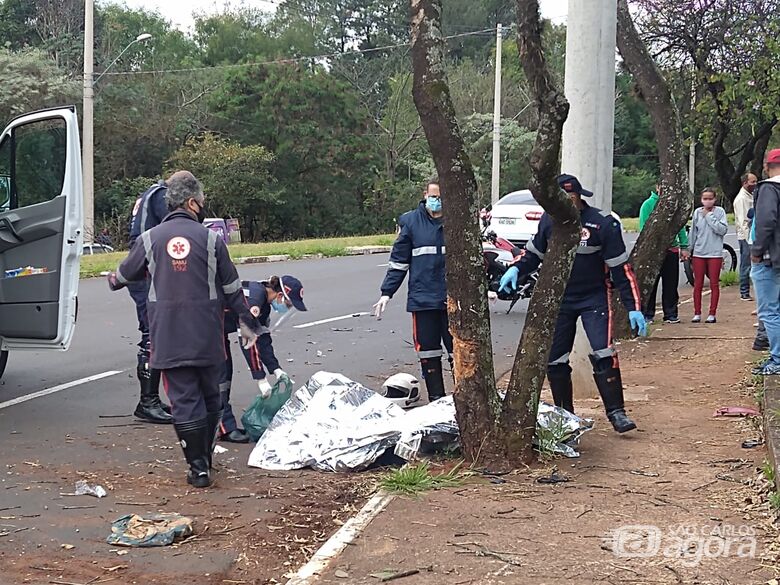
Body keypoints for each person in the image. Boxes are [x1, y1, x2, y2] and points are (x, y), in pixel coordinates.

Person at [108, 171, 258, 488]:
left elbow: (120, 277)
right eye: (202, 202)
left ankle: (198, 467)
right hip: (207, 337)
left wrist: (116, 277)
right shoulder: (213, 240)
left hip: (168, 338)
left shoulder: (150, 239)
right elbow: (233, 289)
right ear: (192, 203)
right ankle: (205, 457)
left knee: (184, 400)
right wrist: (248, 323)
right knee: (212, 399)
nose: (203, 207)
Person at [499, 174, 646, 433]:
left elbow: (622, 270)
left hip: (594, 297)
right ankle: (565, 417)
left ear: (579, 197)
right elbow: (532, 255)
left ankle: (617, 412)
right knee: (555, 360)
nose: (566, 202)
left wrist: (634, 307)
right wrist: (515, 269)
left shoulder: (602, 224)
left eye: (571, 197)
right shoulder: (549, 222)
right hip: (560, 299)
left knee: (604, 352)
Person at [373, 178, 451, 403]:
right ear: (425, 194)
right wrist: (387, 293)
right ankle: (437, 399)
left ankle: (464, 403)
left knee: (460, 353)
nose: (437, 201)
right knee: (428, 352)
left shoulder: (457, 221)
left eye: (441, 197)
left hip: (453, 300)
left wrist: (486, 289)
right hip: (423, 299)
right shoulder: (411, 222)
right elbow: (398, 262)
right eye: (433, 196)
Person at [219, 276, 306, 443]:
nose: (286, 308)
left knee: (223, 373)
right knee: (220, 374)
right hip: (206, 322)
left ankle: (222, 425)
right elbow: (248, 340)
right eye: (288, 304)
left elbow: (263, 339)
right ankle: (224, 428)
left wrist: (276, 369)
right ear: (280, 295)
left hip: (216, 326)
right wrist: (260, 378)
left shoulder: (264, 306)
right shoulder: (255, 300)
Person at [126, 179, 173, 424]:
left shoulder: (148, 193)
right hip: (146, 268)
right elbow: (173, 227)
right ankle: (147, 402)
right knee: (152, 335)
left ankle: (152, 398)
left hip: (140, 263)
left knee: (153, 333)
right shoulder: (162, 195)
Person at [638, 186, 690, 324]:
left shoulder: (675, 205)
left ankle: (671, 314)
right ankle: (648, 314)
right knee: (651, 283)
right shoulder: (648, 204)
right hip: (653, 251)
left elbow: (680, 227)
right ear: (657, 187)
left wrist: (684, 246)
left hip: (671, 249)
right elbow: (643, 227)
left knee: (671, 284)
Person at [751, 149, 780, 375]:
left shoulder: (770, 188)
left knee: (770, 311)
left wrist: (757, 251)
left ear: (767, 165)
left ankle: (777, 359)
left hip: (771, 259)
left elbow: (766, 221)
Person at [688, 188, 728, 323]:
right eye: (705, 198)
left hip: (715, 253)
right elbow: (693, 232)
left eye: (710, 198)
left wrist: (709, 216)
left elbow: (722, 230)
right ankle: (697, 312)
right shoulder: (697, 213)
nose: (707, 201)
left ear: (715, 199)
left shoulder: (720, 212)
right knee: (698, 283)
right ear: (701, 200)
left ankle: (712, 313)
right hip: (699, 253)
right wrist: (689, 249)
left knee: (714, 283)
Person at [735, 173, 758, 300]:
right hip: (746, 236)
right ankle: (744, 291)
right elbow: (744, 222)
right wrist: (749, 240)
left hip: (752, 235)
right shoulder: (741, 199)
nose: (755, 184)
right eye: (752, 182)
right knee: (746, 264)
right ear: (745, 183)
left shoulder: (751, 196)